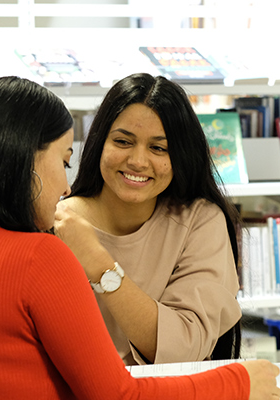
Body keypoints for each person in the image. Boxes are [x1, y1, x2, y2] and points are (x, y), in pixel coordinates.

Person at [0, 76, 280, 399]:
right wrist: (238, 381)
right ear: (26, 162)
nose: (66, 185)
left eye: (159, 148)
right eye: (64, 160)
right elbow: (115, 394)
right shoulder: (41, 253)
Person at [56, 72, 243, 365]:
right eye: (122, 141)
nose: (138, 161)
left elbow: (182, 348)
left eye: (158, 148)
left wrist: (99, 264)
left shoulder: (200, 221)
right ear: (99, 142)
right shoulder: (55, 221)